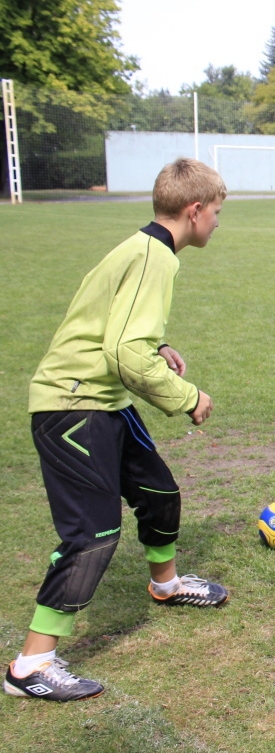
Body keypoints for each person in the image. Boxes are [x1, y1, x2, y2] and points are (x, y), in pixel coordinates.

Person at [5, 158, 229, 702]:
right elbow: (126, 352)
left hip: (105, 402)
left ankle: (167, 584)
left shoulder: (143, 247)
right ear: (194, 211)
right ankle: (31, 664)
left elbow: (118, 332)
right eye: (218, 213)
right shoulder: (155, 258)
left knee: (159, 493)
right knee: (93, 536)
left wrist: (158, 347)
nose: (219, 224)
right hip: (73, 407)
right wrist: (187, 397)